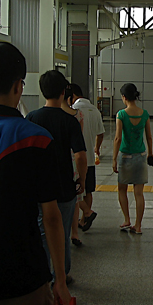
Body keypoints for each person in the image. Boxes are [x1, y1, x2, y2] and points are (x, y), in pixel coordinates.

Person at [0, 42, 70, 305]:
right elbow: (51, 217)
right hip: (25, 278)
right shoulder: (36, 139)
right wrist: (59, 280)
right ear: (19, 85)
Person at [27, 71, 87, 285]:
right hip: (63, 187)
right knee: (61, 232)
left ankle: (43, 272)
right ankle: (62, 274)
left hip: (36, 188)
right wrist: (81, 179)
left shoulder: (32, 118)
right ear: (64, 92)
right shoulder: (69, 121)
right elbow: (80, 155)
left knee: (41, 230)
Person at [112, 83, 153, 234]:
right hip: (141, 156)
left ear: (124, 97)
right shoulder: (144, 114)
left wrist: (114, 159)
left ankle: (126, 219)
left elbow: (117, 138)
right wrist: (150, 153)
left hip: (126, 156)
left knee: (122, 190)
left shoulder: (121, 115)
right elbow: (149, 136)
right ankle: (138, 225)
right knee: (139, 193)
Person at [68, 83, 105, 231]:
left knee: (75, 190)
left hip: (76, 157)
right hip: (90, 158)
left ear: (73, 96)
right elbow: (100, 134)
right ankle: (84, 219)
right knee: (88, 190)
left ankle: (85, 214)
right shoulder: (95, 110)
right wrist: (96, 148)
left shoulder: (74, 111)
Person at [62, 86, 85, 247]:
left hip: (52, 165)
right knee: (76, 200)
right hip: (72, 162)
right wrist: (82, 179)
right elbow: (79, 149)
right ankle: (74, 234)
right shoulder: (77, 116)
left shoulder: (36, 116)